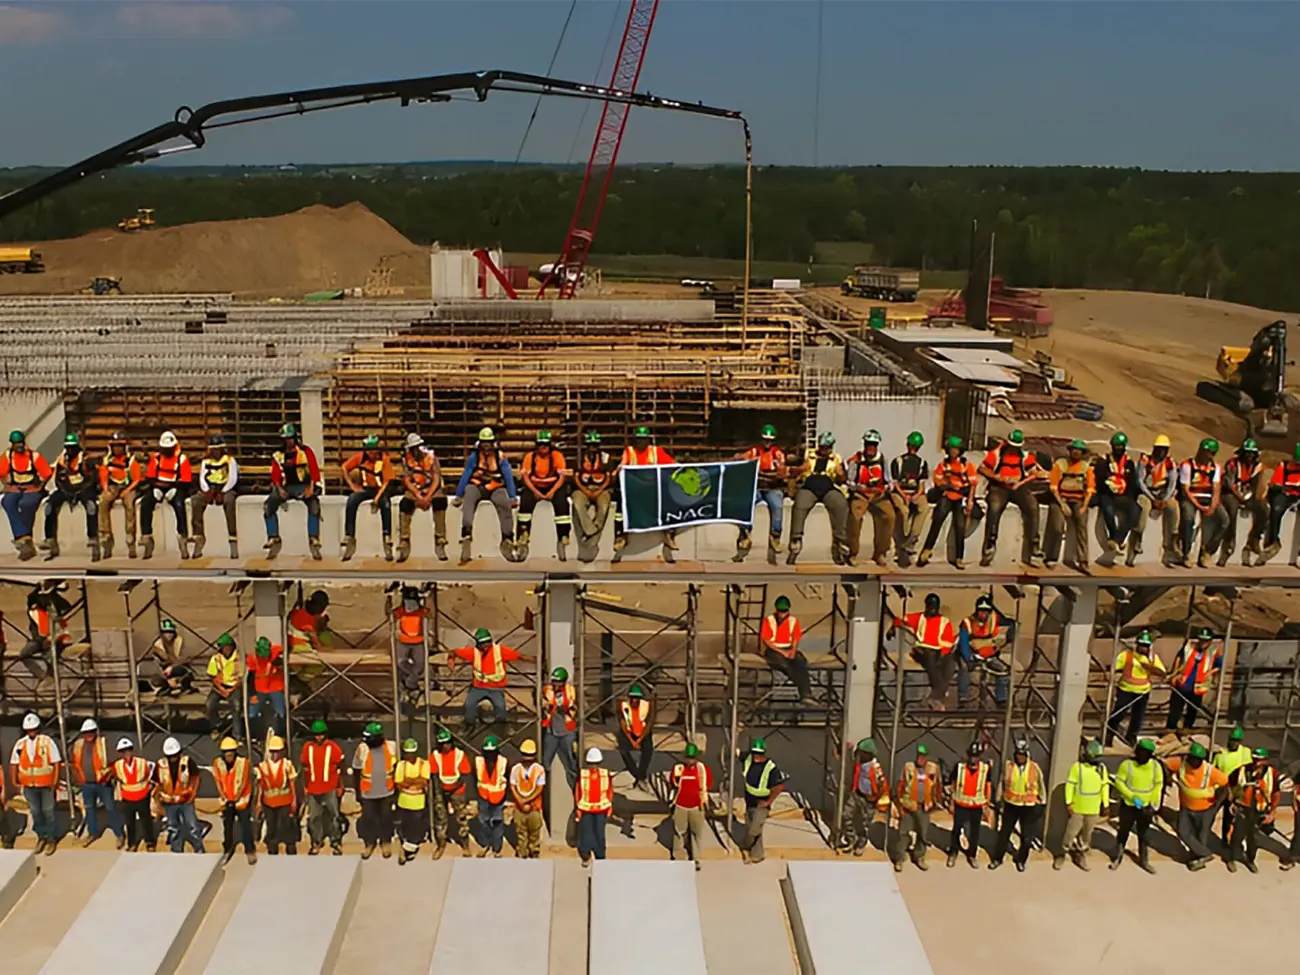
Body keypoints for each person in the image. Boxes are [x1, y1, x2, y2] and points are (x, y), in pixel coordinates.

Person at [978, 429, 1043, 567]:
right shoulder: (996, 454)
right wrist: (996, 477)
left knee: (1032, 507)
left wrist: (1019, 483)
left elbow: (1034, 473)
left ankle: (1034, 547)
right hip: (999, 487)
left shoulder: (1025, 456)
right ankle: (990, 544)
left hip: (1018, 487)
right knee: (994, 508)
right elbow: (983, 468)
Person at [453, 426, 518, 564]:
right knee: (469, 499)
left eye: (488, 443)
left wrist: (512, 496)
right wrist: (458, 494)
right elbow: (467, 474)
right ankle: (466, 533)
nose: (486, 446)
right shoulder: (474, 457)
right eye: (484, 443)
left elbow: (508, 476)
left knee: (504, 503)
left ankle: (507, 538)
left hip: (495, 486)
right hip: (477, 485)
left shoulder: (500, 457)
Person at [614, 425, 678, 563]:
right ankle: (621, 536)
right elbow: (622, 465)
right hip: (634, 492)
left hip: (654, 491)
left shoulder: (656, 452)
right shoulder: (629, 452)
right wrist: (617, 471)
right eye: (637, 439)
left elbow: (673, 465)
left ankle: (669, 534)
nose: (640, 442)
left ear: (648, 440)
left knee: (671, 501)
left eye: (642, 439)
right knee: (620, 506)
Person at [450, 628, 534, 728]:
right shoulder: (474, 652)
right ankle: (469, 726)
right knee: (469, 705)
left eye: (487, 643)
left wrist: (536, 661)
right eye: (482, 644)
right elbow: (454, 651)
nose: (485, 646)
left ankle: (500, 728)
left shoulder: (499, 651)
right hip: (478, 687)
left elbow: (520, 656)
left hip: (496, 689)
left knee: (501, 708)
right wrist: (450, 660)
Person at [786, 432, 849, 565]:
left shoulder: (836, 459)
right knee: (800, 505)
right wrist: (801, 469)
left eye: (827, 447)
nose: (824, 450)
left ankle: (840, 540)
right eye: (822, 447)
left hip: (828, 486)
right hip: (810, 485)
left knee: (840, 504)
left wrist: (840, 474)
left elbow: (842, 479)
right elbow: (794, 469)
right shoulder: (809, 455)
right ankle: (796, 539)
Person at [1166, 741, 1229, 870]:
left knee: (1201, 835)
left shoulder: (1210, 771)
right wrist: (1167, 777)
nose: (1194, 762)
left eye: (1198, 760)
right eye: (1193, 759)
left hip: (1206, 810)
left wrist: (1217, 803)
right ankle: (1205, 854)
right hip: (1186, 808)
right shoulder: (1181, 764)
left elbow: (1225, 783)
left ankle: (1197, 858)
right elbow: (1165, 765)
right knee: (1183, 832)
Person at [263, 422, 323, 560]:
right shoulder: (278, 455)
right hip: (286, 486)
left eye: (290, 438)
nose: (288, 442)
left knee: (313, 504)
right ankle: (273, 536)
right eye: (285, 439)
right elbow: (275, 475)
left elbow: (314, 470)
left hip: (303, 485)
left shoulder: (305, 452)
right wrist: (279, 489)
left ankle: (313, 538)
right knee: (269, 505)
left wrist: (311, 488)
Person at [919, 435, 978, 569]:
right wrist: (950, 486)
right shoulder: (943, 465)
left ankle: (959, 557)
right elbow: (939, 482)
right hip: (947, 495)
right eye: (951, 449)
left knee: (960, 526)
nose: (953, 452)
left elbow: (972, 484)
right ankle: (926, 551)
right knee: (938, 519)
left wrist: (969, 501)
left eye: (955, 449)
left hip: (960, 498)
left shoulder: (967, 465)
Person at [892, 593, 957, 709]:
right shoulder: (919, 617)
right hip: (921, 650)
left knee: (950, 665)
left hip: (939, 651)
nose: (932, 609)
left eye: (934, 607)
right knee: (930, 659)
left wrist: (943, 653)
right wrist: (893, 627)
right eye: (930, 606)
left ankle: (935, 695)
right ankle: (939, 692)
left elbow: (948, 641)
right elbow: (900, 619)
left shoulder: (944, 621)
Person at [989, 737, 1045, 872]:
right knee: (1004, 834)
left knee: (1026, 837)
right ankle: (997, 858)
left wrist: (1042, 802)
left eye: (1022, 755)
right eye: (1018, 754)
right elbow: (1003, 783)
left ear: (1027, 755)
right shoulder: (1009, 766)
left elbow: (1041, 785)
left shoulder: (1034, 768)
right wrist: (998, 798)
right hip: (1011, 805)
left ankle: (1021, 860)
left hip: (1028, 807)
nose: (1019, 757)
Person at [41, 432, 99, 561]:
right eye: (68, 447)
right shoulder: (62, 460)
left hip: (83, 488)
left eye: (73, 447)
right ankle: (49, 539)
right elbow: (58, 480)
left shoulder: (86, 459)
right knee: (49, 507)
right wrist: (66, 490)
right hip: (67, 489)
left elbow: (94, 478)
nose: (70, 450)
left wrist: (81, 490)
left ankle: (93, 537)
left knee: (91, 507)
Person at [1054, 739, 1109, 872]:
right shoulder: (1077, 768)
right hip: (1078, 808)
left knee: (1086, 835)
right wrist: (1068, 802)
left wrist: (1105, 804)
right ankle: (1061, 854)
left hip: (1093, 809)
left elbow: (1104, 787)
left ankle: (1080, 855)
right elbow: (1070, 786)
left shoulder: (1101, 769)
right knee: (1070, 833)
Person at [10, 712, 61, 854]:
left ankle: (51, 838)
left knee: (48, 811)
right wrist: (14, 780)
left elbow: (56, 762)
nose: (32, 732)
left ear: (38, 728)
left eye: (34, 729)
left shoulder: (47, 741)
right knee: (36, 812)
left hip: (46, 784)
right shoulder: (21, 744)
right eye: (29, 730)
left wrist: (55, 781)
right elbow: (14, 763)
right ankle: (41, 837)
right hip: (29, 786)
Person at [340, 434, 397, 561]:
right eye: (370, 451)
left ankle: (387, 538)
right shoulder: (361, 458)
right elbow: (344, 467)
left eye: (374, 450)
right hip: (366, 488)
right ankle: (349, 536)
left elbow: (387, 481)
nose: (372, 454)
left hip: (381, 489)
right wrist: (352, 485)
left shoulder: (384, 459)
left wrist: (377, 498)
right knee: (352, 500)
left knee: (385, 504)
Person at [736, 424, 787, 564]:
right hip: (757, 487)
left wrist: (767, 472)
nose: (767, 443)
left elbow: (782, 472)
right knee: (746, 502)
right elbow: (741, 460)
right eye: (765, 440)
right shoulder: (754, 451)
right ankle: (744, 534)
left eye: (770, 440)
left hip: (772, 487)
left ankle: (775, 536)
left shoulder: (778, 454)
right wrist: (744, 460)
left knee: (777, 506)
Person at [1110, 738, 1163, 873]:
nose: (1142, 756)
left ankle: (1144, 860)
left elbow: (1158, 784)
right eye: (1141, 752)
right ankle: (1118, 857)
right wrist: (1133, 797)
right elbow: (1119, 783)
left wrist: (1151, 802)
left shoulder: (1156, 766)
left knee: (1144, 834)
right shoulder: (1127, 765)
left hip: (1146, 807)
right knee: (1123, 831)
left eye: (1146, 753)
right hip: (1128, 805)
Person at [518, 430, 572, 561]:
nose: (544, 448)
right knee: (525, 501)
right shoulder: (530, 457)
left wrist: (552, 491)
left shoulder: (557, 456)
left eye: (546, 445)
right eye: (541, 445)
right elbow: (525, 477)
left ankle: (563, 534)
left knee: (562, 503)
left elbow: (562, 477)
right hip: (534, 485)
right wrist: (536, 492)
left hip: (553, 485)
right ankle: (523, 533)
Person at [139, 430, 193, 560]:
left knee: (179, 505)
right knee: (146, 503)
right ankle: (146, 536)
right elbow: (150, 477)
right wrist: (158, 487)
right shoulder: (156, 458)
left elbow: (186, 480)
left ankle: (182, 537)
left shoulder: (182, 459)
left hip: (176, 487)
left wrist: (172, 487)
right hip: (158, 486)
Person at [845, 429, 895, 566]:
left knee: (889, 516)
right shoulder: (856, 461)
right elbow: (849, 482)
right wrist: (858, 487)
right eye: (868, 444)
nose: (870, 448)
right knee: (855, 517)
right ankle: (852, 552)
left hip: (878, 495)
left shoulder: (883, 460)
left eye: (873, 445)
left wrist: (884, 488)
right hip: (861, 494)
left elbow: (889, 481)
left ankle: (880, 552)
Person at [71, 718, 123, 849]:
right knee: (90, 809)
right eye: (86, 732)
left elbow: (114, 761)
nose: (89, 735)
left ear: (96, 732)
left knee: (110, 808)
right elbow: (75, 764)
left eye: (91, 732)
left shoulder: (104, 743)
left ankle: (119, 834)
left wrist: (110, 774)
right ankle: (92, 833)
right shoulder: (78, 745)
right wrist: (79, 778)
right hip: (87, 784)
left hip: (103, 783)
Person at [1106, 630, 1165, 746]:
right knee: (1118, 714)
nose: (1143, 648)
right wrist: (1109, 674)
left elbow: (1162, 672)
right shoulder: (1126, 655)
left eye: (1146, 646)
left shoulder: (1152, 658)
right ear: (1137, 645)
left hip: (1143, 692)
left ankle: (1131, 737)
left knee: (1137, 717)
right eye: (1141, 645)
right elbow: (1113, 668)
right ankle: (1109, 735)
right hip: (1126, 690)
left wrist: (1149, 667)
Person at [0, 429, 52, 560]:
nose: (19, 446)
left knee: (27, 504)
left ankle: (23, 541)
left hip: (32, 488)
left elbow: (47, 473)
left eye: (20, 442)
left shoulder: (34, 456)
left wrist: (41, 486)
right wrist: (5, 484)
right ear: (12, 444)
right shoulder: (7, 456)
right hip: (15, 488)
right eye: (16, 443)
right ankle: (23, 536)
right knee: (7, 502)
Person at [956, 594, 1015, 707]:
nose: (983, 614)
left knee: (1004, 671)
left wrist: (1009, 637)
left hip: (989, 655)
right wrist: (969, 657)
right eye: (981, 611)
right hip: (971, 654)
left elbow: (1012, 623)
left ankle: (1001, 699)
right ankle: (963, 699)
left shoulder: (995, 619)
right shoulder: (968, 622)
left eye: (986, 611)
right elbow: (963, 642)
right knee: (964, 669)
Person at [397, 432, 448, 562]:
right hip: (416, 487)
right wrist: (418, 494)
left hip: (431, 486)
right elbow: (407, 479)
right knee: (405, 504)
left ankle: (440, 538)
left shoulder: (432, 457)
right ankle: (404, 540)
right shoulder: (406, 459)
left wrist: (428, 495)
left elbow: (436, 477)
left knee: (440, 502)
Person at [1225, 747, 1278, 874]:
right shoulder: (1242, 770)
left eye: (1259, 760)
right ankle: (1232, 857)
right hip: (1243, 809)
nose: (1256, 763)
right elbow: (1229, 784)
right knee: (1237, 835)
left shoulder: (1272, 773)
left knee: (1254, 838)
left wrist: (1272, 811)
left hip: (1260, 810)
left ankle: (1250, 860)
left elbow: (1276, 793)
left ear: (1266, 761)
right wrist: (1232, 800)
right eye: (1254, 759)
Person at [1178, 437, 1228, 568]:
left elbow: (1217, 488)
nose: (1210, 456)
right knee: (1188, 518)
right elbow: (1185, 489)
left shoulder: (1215, 468)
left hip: (1208, 497)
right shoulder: (1187, 465)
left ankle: (1208, 551)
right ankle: (1186, 552)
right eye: (1208, 452)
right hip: (1191, 498)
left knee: (1224, 520)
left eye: (1213, 453)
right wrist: (1199, 506)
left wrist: (1213, 505)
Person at [1046, 440, 1095, 569]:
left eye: (1078, 450)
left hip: (1078, 500)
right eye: (1073, 449)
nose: (1075, 452)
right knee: (1057, 526)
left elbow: (1090, 489)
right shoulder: (1060, 464)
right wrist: (1062, 504)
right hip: (1060, 499)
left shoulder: (1086, 467)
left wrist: (1084, 507)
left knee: (1082, 526)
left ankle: (1083, 561)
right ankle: (1051, 557)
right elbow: (1054, 487)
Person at [1093, 432, 1141, 564]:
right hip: (1106, 493)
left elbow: (1132, 483)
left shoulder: (1129, 463)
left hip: (1123, 495)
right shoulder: (1103, 461)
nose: (1119, 449)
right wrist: (1110, 488)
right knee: (1108, 510)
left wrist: (1129, 497)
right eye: (1117, 446)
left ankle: (1117, 540)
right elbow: (1100, 480)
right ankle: (1113, 537)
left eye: (1121, 446)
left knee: (1135, 510)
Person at [891, 744, 940, 872]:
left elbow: (937, 788)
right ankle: (900, 858)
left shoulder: (932, 769)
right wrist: (899, 805)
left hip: (924, 806)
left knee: (923, 833)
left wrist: (934, 804)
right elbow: (900, 786)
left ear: (927, 758)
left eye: (923, 757)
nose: (920, 759)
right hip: (908, 805)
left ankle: (919, 856)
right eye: (918, 756)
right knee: (903, 833)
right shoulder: (908, 767)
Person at [190, 434, 240, 559]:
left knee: (229, 502)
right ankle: (198, 536)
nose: (215, 452)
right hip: (210, 488)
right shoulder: (206, 461)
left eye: (218, 449)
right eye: (213, 449)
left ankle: (232, 538)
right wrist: (207, 491)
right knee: (196, 500)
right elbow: (202, 477)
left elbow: (233, 478)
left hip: (225, 488)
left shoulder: (229, 460)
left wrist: (223, 491)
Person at [1134, 433, 1180, 567]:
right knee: (1144, 508)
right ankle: (1138, 538)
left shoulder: (1170, 463)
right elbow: (1140, 481)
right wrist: (1152, 498)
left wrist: (1165, 499)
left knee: (1174, 507)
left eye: (1164, 449)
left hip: (1163, 494)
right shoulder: (1145, 461)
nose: (1162, 452)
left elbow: (1173, 482)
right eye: (1159, 449)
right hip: (1147, 493)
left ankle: (1173, 542)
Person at [300, 719, 345, 855]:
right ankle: (316, 841)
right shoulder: (308, 747)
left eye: (321, 734)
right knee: (314, 817)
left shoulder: (332, 747)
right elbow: (304, 767)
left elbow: (341, 765)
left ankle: (336, 841)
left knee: (334, 815)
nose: (318, 737)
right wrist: (305, 786)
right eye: (316, 734)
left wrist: (340, 785)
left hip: (330, 787)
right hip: (313, 788)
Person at [1221, 439, 1268, 566]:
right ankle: (1229, 542)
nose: (1250, 456)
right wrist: (1239, 495)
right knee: (1231, 508)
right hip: (1231, 494)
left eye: (1252, 454)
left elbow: (1259, 486)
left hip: (1248, 495)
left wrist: (1256, 496)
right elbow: (1229, 484)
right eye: (1247, 453)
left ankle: (1255, 539)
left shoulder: (1258, 467)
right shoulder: (1232, 464)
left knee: (1264, 509)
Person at [352, 722, 396, 859]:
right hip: (368, 791)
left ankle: (386, 842)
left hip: (387, 790)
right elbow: (356, 770)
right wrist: (357, 792)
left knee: (386, 818)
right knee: (369, 818)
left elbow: (397, 768)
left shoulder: (391, 746)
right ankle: (370, 842)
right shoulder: (362, 748)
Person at [945, 741, 992, 868]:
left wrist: (987, 805)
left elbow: (988, 786)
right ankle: (953, 852)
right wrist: (951, 802)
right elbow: (953, 784)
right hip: (961, 803)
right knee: (956, 830)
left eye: (975, 756)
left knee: (974, 832)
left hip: (976, 806)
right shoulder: (959, 767)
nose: (973, 759)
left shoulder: (985, 769)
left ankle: (972, 855)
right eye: (971, 756)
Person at [1165, 628, 1222, 731]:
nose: (1203, 643)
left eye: (1206, 640)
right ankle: (1170, 729)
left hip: (1198, 687)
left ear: (1210, 641)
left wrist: (1209, 673)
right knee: (1175, 710)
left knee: (1192, 711)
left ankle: (1187, 729)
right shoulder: (1189, 646)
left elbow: (1219, 665)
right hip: (1182, 683)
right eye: (1201, 640)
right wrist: (1174, 674)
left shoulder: (1213, 651)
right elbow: (1179, 658)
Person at [839, 738, 889, 857]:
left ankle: (861, 843)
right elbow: (848, 760)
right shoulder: (859, 762)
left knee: (865, 824)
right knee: (846, 815)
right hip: (857, 794)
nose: (860, 754)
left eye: (862, 752)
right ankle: (852, 838)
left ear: (869, 754)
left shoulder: (875, 768)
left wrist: (879, 800)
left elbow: (883, 785)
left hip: (869, 800)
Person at [98, 431, 143, 560]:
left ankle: (130, 538)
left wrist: (126, 491)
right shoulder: (108, 460)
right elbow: (104, 476)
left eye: (120, 446)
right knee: (103, 501)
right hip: (113, 486)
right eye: (115, 446)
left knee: (129, 504)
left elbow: (136, 479)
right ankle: (105, 535)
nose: (117, 449)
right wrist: (106, 489)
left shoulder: (131, 460)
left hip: (128, 486)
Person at [572, 431, 616, 562]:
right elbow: (575, 477)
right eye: (590, 445)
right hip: (583, 489)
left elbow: (608, 478)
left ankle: (594, 530)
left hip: (601, 489)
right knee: (578, 504)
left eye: (595, 445)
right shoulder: (580, 457)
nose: (593, 448)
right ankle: (590, 530)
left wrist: (599, 491)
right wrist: (585, 491)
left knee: (603, 507)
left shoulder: (606, 458)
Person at [212, 736, 256, 865]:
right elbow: (218, 781)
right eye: (226, 753)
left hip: (241, 799)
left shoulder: (244, 763)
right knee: (227, 826)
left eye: (231, 753)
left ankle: (250, 850)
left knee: (245, 826)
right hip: (227, 799)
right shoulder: (217, 763)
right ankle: (227, 849)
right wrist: (223, 796)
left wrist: (236, 797)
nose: (228, 756)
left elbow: (244, 781)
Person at [739, 739, 784, 865]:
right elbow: (736, 753)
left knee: (754, 830)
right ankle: (757, 855)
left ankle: (746, 844)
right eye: (754, 753)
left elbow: (779, 787)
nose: (756, 756)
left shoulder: (771, 768)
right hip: (750, 801)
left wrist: (768, 802)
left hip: (762, 804)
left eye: (758, 754)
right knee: (752, 827)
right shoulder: (748, 759)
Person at [155, 736, 203, 854]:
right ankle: (176, 851)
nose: (173, 758)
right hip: (169, 803)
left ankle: (199, 849)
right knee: (173, 828)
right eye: (170, 756)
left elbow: (196, 778)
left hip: (185, 801)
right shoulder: (161, 765)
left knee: (192, 827)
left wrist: (192, 794)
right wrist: (158, 800)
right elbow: (156, 783)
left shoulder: (187, 762)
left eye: (175, 755)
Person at [890, 431, 931, 567]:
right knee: (904, 511)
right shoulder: (898, 461)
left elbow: (921, 485)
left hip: (914, 492)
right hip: (899, 492)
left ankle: (910, 541)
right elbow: (895, 483)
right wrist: (904, 496)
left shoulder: (922, 463)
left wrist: (916, 495)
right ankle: (903, 543)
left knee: (924, 508)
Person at [430, 726, 472, 858]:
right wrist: (440, 792)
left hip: (457, 790)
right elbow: (434, 775)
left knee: (461, 818)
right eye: (442, 744)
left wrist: (453, 789)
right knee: (440, 819)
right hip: (441, 790)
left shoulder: (459, 754)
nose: (445, 746)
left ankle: (465, 845)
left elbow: (465, 775)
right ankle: (441, 845)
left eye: (447, 743)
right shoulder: (435, 755)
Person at [760, 595, 812, 702]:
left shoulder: (793, 621)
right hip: (773, 650)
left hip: (788, 649)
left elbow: (795, 638)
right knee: (784, 664)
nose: (783, 614)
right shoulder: (769, 621)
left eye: (785, 611)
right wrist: (782, 652)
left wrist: (792, 651)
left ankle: (806, 694)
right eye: (781, 611)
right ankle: (802, 687)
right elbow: (766, 640)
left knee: (801, 661)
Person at [670, 743, 713, 868]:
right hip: (680, 805)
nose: (690, 760)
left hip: (696, 807)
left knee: (696, 834)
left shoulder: (703, 770)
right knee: (679, 833)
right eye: (688, 757)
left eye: (692, 758)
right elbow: (672, 784)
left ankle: (696, 858)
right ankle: (678, 858)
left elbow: (707, 785)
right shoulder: (678, 769)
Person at [17, 584, 71, 681]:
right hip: (39, 639)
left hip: (51, 639)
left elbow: (61, 626)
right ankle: (44, 676)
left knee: (48, 656)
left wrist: (53, 638)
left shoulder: (51, 609)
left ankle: (52, 677)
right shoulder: (35, 611)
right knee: (24, 654)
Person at [255, 735, 298, 855]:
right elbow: (261, 786)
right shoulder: (262, 766)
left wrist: (294, 800)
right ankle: (272, 849)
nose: (274, 755)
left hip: (284, 801)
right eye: (272, 752)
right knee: (271, 826)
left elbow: (292, 783)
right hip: (269, 802)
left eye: (277, 752)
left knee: (286, 825)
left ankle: (290, 847)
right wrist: (259, 802)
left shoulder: (287, 765)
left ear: (282, 752)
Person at [111, 737, 155, 852]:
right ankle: (132, 843)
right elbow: (117, 778)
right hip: (127, 797)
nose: (126, 753)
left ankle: (149, 842)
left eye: (128, 750)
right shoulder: (117, 765)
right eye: (123, 751)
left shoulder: (141, 762)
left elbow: (147, 775)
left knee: (146, 821)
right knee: (130, 822)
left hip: (142, 795)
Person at [1213, 725, 1252, 848]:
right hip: (1223, 788)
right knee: (1219, 815)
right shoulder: (1220, 755)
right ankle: (1224, 840)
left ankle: (1233, 841)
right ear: (1228, 739)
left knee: (1235, 818)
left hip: (1238, 790)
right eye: (1233, 740)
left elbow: (1248, 770)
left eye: (1237, 741)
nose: (1235, 743)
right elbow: (1214, 771)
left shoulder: (1245, 752)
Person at [1260, 442, 1300, 565]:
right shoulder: (1284, 466)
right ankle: (1273, 542)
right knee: (1276, 510)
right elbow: (1275, 483)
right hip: (1285, 494)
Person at [393, 739, 430, 865]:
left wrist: (408, 782)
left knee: (416, 826)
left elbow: (424, 782)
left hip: (418, 801)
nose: (410, 756)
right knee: (405, 825)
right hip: (404, 801)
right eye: (408, 754)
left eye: (412, 753)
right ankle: (406, 847)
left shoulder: (423, 764)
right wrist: (415, 781)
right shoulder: (401, 765)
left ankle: (408, 849)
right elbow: (399, 783)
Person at [541, 667, 579, 788]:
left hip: (567, 732)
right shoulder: (547, 690)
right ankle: (542, 792)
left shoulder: (570, 691)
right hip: (551, 732)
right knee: (545, 763)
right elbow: (545, 705)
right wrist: (549, 706)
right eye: (553, 681)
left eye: (557, 682)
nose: (555, 684)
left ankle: (575, 792)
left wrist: (564, 706)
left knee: (571, 765)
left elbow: (572, 708)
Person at [287, 589, 330, 693]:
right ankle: (300, 680)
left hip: (291, 643)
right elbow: (313, 636)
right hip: (299, 645)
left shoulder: (298, 612)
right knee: (318, 664)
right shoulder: (307, 619)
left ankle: (297, 680)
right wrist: (320, 647)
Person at [576, 747, 613, 865]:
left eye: (595, 764)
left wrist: (610, 806)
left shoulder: (605, 774)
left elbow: (610, 791)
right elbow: (578, 791)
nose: (593, 766)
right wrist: (578, 808)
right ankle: (586, 856)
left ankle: (600, 857)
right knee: (586, 833)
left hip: (601, 808)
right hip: (586, 808)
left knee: (600, 834)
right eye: (592, 764)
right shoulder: (582, 774)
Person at [510, 738, 547, 859]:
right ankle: (522, 853)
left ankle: (534, 853)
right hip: (519, 807)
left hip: (534, 807)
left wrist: (525, 801)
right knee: (521, 834)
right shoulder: (516, 769)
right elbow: (513, 786)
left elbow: (539, 789)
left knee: (534, 834)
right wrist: (520, 801)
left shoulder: (539, 769)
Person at [474, 735, 509, 858]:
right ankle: (485, 845)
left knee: (497, 824)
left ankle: (497, 849)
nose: (489, 755)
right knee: (484, 823)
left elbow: (506, 779)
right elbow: (476, 778)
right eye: (487, 752)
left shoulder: (503, 762)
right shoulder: (478, 761)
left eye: (492, 752)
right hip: (483, 797)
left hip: (498, 798)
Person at [246, 637, 286, 740]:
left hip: (275, 687)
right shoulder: (252, 658)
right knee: (252, 713)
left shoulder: (276, 650)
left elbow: (287, 647)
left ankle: (281, 736)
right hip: (259, 689)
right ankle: (255, 736)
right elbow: (250, 678)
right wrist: (252, 694)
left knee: (281, 712)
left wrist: (276, 662)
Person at [393, 587, 429, 700]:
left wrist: (429, 596)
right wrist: (389, 597)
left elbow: (430, 613)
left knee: (420, 664)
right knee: (400, 663)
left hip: (418, 641)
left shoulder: (421, 611)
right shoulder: (401, 611)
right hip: (403, 641)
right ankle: (410, 684)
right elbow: (390, 614)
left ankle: (409, 683)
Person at [205, 633, 244, 739]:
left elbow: (241, 678)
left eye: (227, 646)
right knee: (209, 704)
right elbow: (212, 677)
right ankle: (216, 727)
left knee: (236, 706)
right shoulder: (216, 659)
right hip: (219, 687)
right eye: (223, 647)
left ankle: (237, 735)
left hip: (234, 687)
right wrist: (221, 689)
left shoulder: (238, 658)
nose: (225, 649)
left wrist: (231, 690)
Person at [143, 619, 193, 698]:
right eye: (166, 632)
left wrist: (172, 667)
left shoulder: (179, 641)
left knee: (184, 672)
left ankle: (184, 687)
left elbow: (185, 658)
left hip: (180, 668)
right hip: (164, 671)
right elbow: (161, 662)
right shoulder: (158, 645)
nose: (169, 635)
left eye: (171, 632)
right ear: (162, 634)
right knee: (157, 679)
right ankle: (166, 688)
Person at [617, 683, 654, 785]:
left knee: (648, 749)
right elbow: (623, 724)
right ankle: (636, 774)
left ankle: (641, 774)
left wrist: (639, 739)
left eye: (637, 698)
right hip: (629, 733)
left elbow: (649, 724)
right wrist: (632, 740)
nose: (635, 700)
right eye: (633, 698)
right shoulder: (623, 705)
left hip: (643, 733)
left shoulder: (646, 705)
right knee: (623, 749)